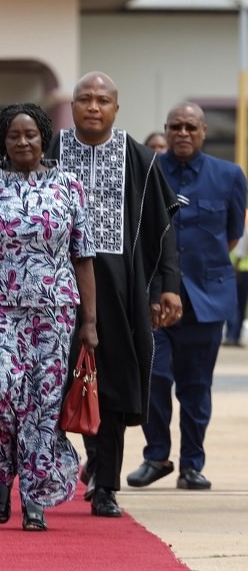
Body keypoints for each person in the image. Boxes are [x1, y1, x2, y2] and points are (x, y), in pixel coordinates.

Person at [0, 103, 97, 531]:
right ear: (2, 139)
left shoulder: (69, 186)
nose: (23, 141)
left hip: (55, 310)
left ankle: (34, 497)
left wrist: (89, 322)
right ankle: (1, 474)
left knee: (44, 403)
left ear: (44, 136)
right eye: (14, 135)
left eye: (31, 134)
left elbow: (83, 257)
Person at [46, 71, 181, 518]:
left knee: (113, 386)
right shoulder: (50, 149)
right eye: (84, 98)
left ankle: (106, 484)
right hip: (55, 289)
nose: (93, 106)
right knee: (62, 382)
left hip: (120, 289)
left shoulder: (140, 158)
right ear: (74, 105)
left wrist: (166, 288)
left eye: (102, 99)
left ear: (116, 108)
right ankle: (54, 475)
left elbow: (163, 231)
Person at [127, 103, 247, 491]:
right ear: (165, 129)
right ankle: (156, 456)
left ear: (204, 131)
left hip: (207, 299)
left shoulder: (229, 176)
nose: (182, 133)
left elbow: (230, 235)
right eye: (175, 126)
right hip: (154, 297)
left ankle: (192, 465)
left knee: (196, 387)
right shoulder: (149, 170)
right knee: (154, 378)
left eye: (190, 127)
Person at [224, 212, 248, 347]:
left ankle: (232, 335)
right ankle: (234, 335)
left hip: (237, 269)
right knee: (239, 304)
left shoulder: (240, 224)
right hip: (238, 268)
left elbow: (242, 247)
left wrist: (237, 265)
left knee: (235, 303)